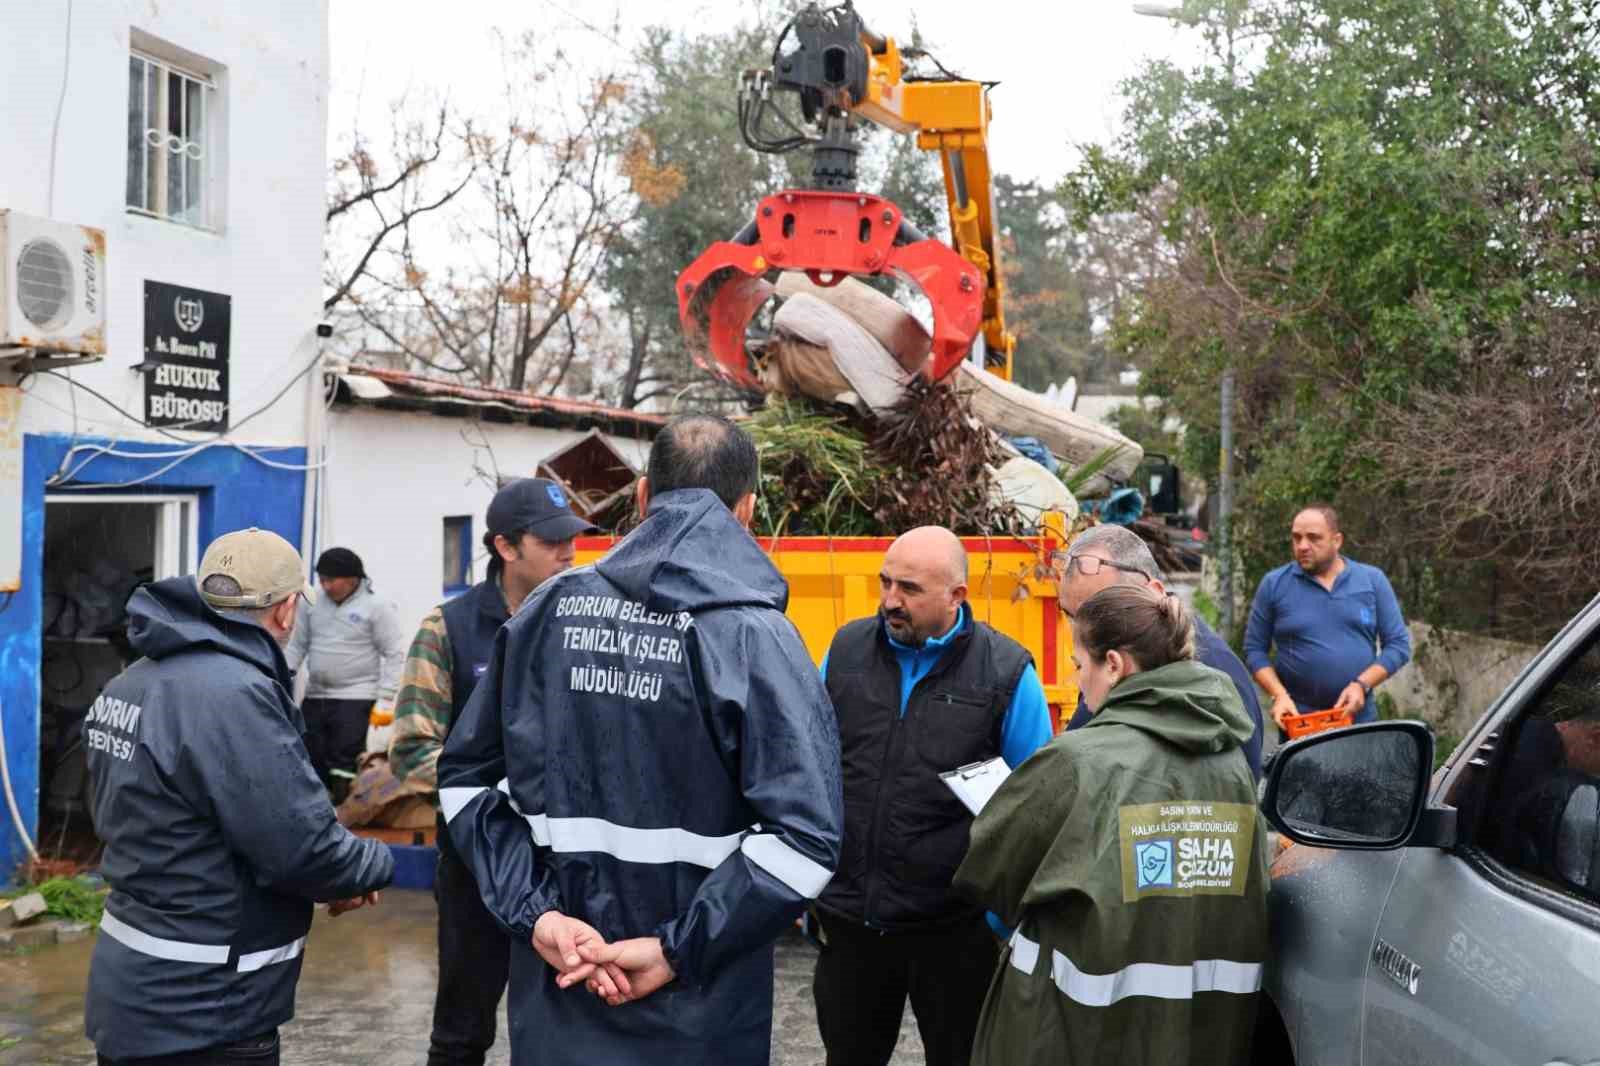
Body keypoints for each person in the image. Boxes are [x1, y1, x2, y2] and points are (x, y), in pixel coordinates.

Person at [436, 413, 843, 1066]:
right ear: (746, 510)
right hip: (701, 1020)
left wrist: (539, 917)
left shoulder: (545, 611)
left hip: (560, 1000)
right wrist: (675, 951)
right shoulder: (756, 639)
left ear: (646, 496)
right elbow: (806, 841)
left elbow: (465, 784)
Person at [83, 528, 394, 1066]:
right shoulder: (234, 695)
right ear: (287, 611)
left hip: (130, 984)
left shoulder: (131, 682)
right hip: (207, 1005)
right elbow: (300, 847)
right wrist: (371, 865)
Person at [954, 584, 1269, 1066]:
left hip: (1073, 1034)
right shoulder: (1231, 766)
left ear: (1115, 665)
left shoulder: (1076, 761)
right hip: (1200, 1036)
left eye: (1079, 664)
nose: (1077, 680)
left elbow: (990, 873)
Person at [811, 525, 1054, 1066]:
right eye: (886, 582)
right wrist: (816, 891)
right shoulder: (846, 651)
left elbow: (1035, 809)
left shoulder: (1006, 673)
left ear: (956, 596)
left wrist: (993, 922)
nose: (890, 601)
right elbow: (811, 767)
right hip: (853, 929)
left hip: (954, 935)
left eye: (910, 589)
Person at [388, 477, 597, 1066]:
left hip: (569, 866)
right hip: (478, 865)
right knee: (462, 1033)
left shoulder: (587, 622)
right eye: (551, 541)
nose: (569, 552)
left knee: (567, 1029)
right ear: (505, 547)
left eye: (572, 538)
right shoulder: (447, 629)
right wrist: (504, 801)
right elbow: (411, 750)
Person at [1058, 524, 1264, 778]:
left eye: (1102, 614)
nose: (1081, 633)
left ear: (1153, 591)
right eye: (1070, 615)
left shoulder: (1212, 674)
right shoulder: (1119, 656)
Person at [1244, 504, 1411, 731]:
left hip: (1358, 721)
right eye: (1296, 538)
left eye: (1313, 538)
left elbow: (1398, 646)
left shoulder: (1372, 581)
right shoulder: (1274, 585)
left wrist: (1361, 685)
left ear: (1337, 540)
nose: (1302, 546)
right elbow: (1254, 650)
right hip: (1298, 723)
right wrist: (1279, 695)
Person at [285, 546, 407, 799]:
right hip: (316, 696)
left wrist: (386, 698)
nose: (325, 586)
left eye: (331, 580)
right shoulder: (311, 602)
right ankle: (318, 811)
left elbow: (394, 653)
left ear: (352, 579)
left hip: (356, 697)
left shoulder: (377, 605)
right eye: (322, 580)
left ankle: (345, 811)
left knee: (344, 763)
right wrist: (283, 674)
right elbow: (297, 645)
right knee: (311, 757)